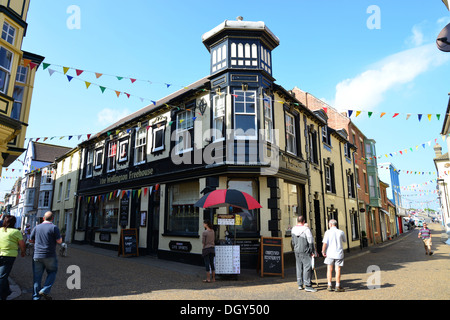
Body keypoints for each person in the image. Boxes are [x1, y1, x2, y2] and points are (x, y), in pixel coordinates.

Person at [30, 211, 62, 300]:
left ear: (43, 218)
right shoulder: (54, 228)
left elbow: (31, 240)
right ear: (52, 219)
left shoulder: (37, 227)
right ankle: (45, 290)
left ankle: (36, 297)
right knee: (52, 272)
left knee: (37, 277)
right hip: (50, 255)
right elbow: (59, 241)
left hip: (37, 255)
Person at [0, 215, 26, 300]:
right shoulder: (16, 232)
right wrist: (23, 252)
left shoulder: (0, 230)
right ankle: (2, 295)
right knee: (2, 276)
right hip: (9, 256)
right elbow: (22, 244)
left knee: (4, 274)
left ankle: (6, 291)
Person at [291, 216, 317, 292]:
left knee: (298, 267)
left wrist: (295, 248)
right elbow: (310, 241)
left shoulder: (293, 229)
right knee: (307, 267)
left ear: (297, 221)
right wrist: (312, 251)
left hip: (297, 250)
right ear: (304, 221)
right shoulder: (306, 229)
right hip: (305, 250)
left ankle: (299, 284)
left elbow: (292, 241)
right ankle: (307, 285)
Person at [322, 219, 346, 292]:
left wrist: (323, 251)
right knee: (337, 270)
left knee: (329, 269)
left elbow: (325, 243)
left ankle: (329, 285)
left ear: (330, 224)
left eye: (329, 224)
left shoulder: (327, 232)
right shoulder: (341, 232)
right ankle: (337, 286)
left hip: (330, 253)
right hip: (338, 253)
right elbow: (344, 240)